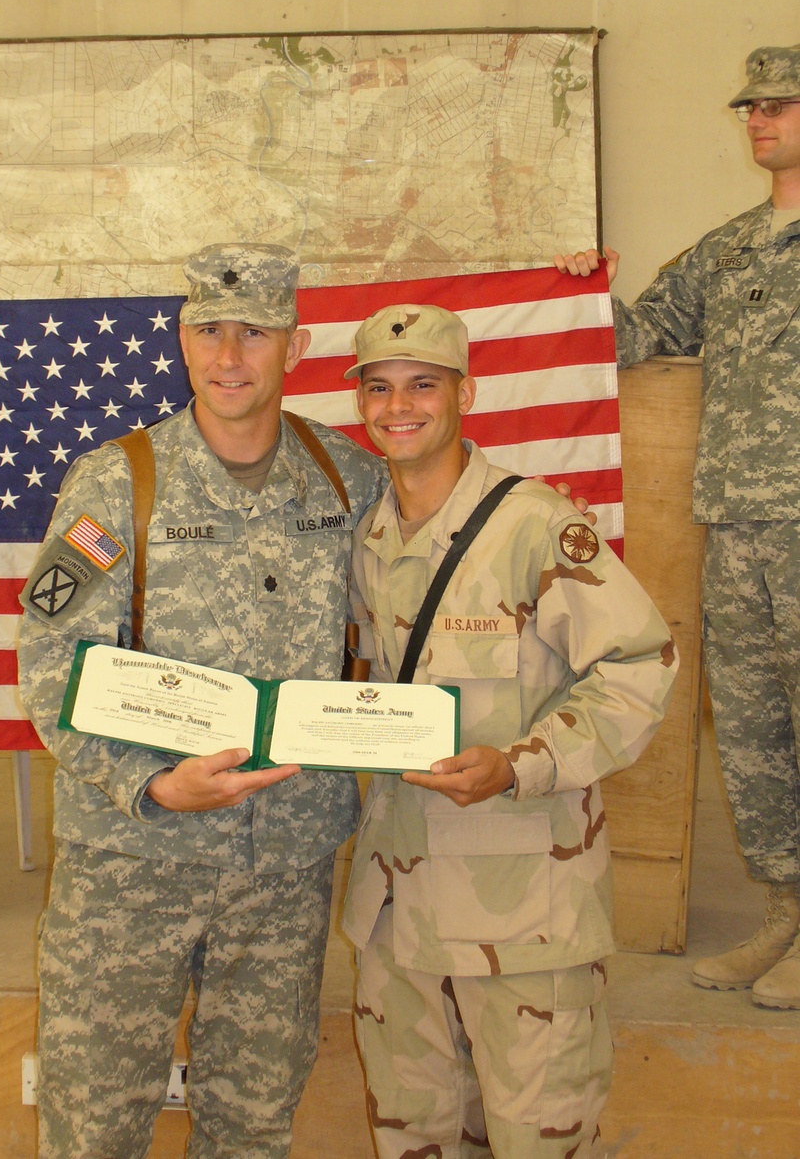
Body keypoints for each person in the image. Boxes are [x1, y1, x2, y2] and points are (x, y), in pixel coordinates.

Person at [16, 243, 385, 1159]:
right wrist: (151, 785)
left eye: (254, 332)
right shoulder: (115, 482)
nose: (230, 354)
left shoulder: (348, 479)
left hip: (286, 860)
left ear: (293, 346)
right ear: (181, 341)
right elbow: (50, 658)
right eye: (209, 330)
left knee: (254, 1123)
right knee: (94, 1119)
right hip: (130, 861)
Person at [341, 303, 678, 1158]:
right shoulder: (368, 537)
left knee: (539, 1142)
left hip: (522, 916)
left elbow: (640, 666)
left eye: (423, 383)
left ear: (466, 392)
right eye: (378, 387)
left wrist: (521, 762)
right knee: (412, 1138)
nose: (399, 404)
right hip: (397, 908)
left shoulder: (532, 526)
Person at [556, 43, 800, 1011]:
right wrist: (578, 288)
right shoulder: (729, 249)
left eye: (779, 103)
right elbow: (637, 332)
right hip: (736, 528)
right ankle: (786, 910)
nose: (757, 118)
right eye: (749, 105)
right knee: (754, 735)